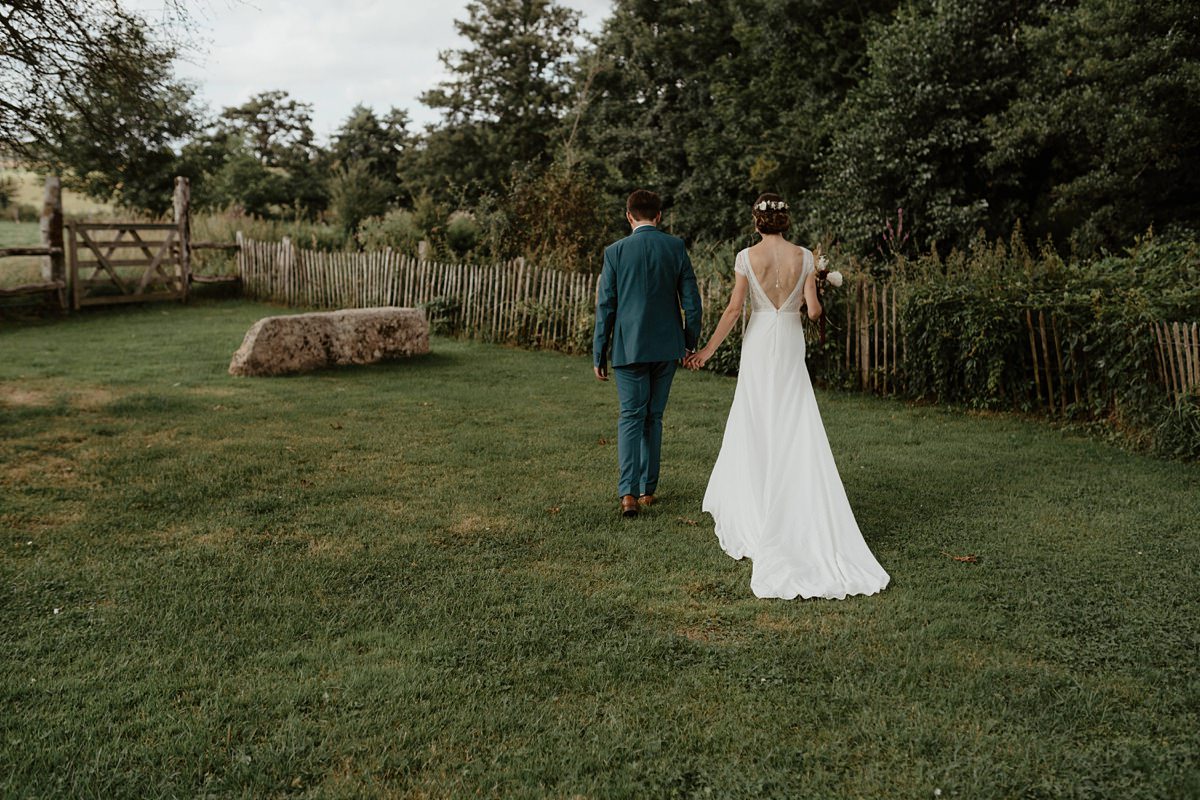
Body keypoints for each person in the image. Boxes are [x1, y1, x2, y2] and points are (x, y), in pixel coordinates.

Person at [684, 193, 889, 599]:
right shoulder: (805, 257)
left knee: (756, 416)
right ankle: (793, 496)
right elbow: (812, 313)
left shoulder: (745, 257)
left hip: (760, 339)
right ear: (785, 222)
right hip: (791, 340)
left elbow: (732, 310)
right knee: (793, 416)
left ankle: (758, 503)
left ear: (757, 223)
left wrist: (706, 351)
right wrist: (815, 288)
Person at [593, 189, 703, 517]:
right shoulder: (675, 247)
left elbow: (606, 306)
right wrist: (688, 342)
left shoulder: (615, 252)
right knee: (653, 417)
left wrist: (599, 352)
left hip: (629, 347)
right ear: (658, 216)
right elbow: (692, 303)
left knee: (631, 415)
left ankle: (627, 493)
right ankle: (646, 490)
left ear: (629, 216)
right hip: (667, 346)